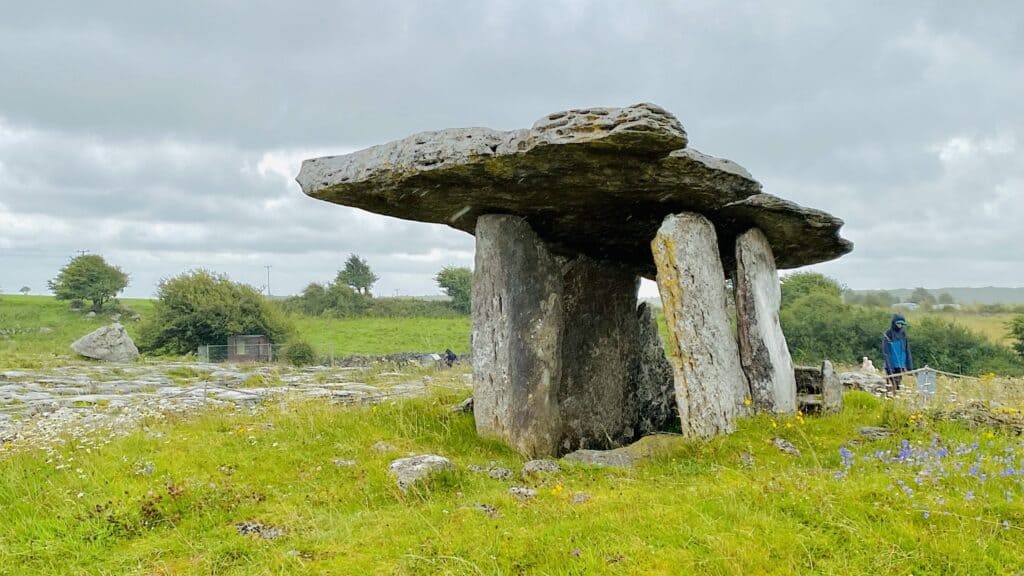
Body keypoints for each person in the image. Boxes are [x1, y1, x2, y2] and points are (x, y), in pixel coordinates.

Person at [881, 314, 912, 396]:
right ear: (894, 323)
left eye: (901, 324)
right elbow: (886, 351)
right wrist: (889, 366)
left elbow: (906, 349)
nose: (900, 325)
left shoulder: (903, 334)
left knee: (898, 385)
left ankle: (896, 398)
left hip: (900, 364)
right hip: (891, 364)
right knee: (891, 384)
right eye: (898, 323)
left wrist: (909, 366)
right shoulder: (888, 333)